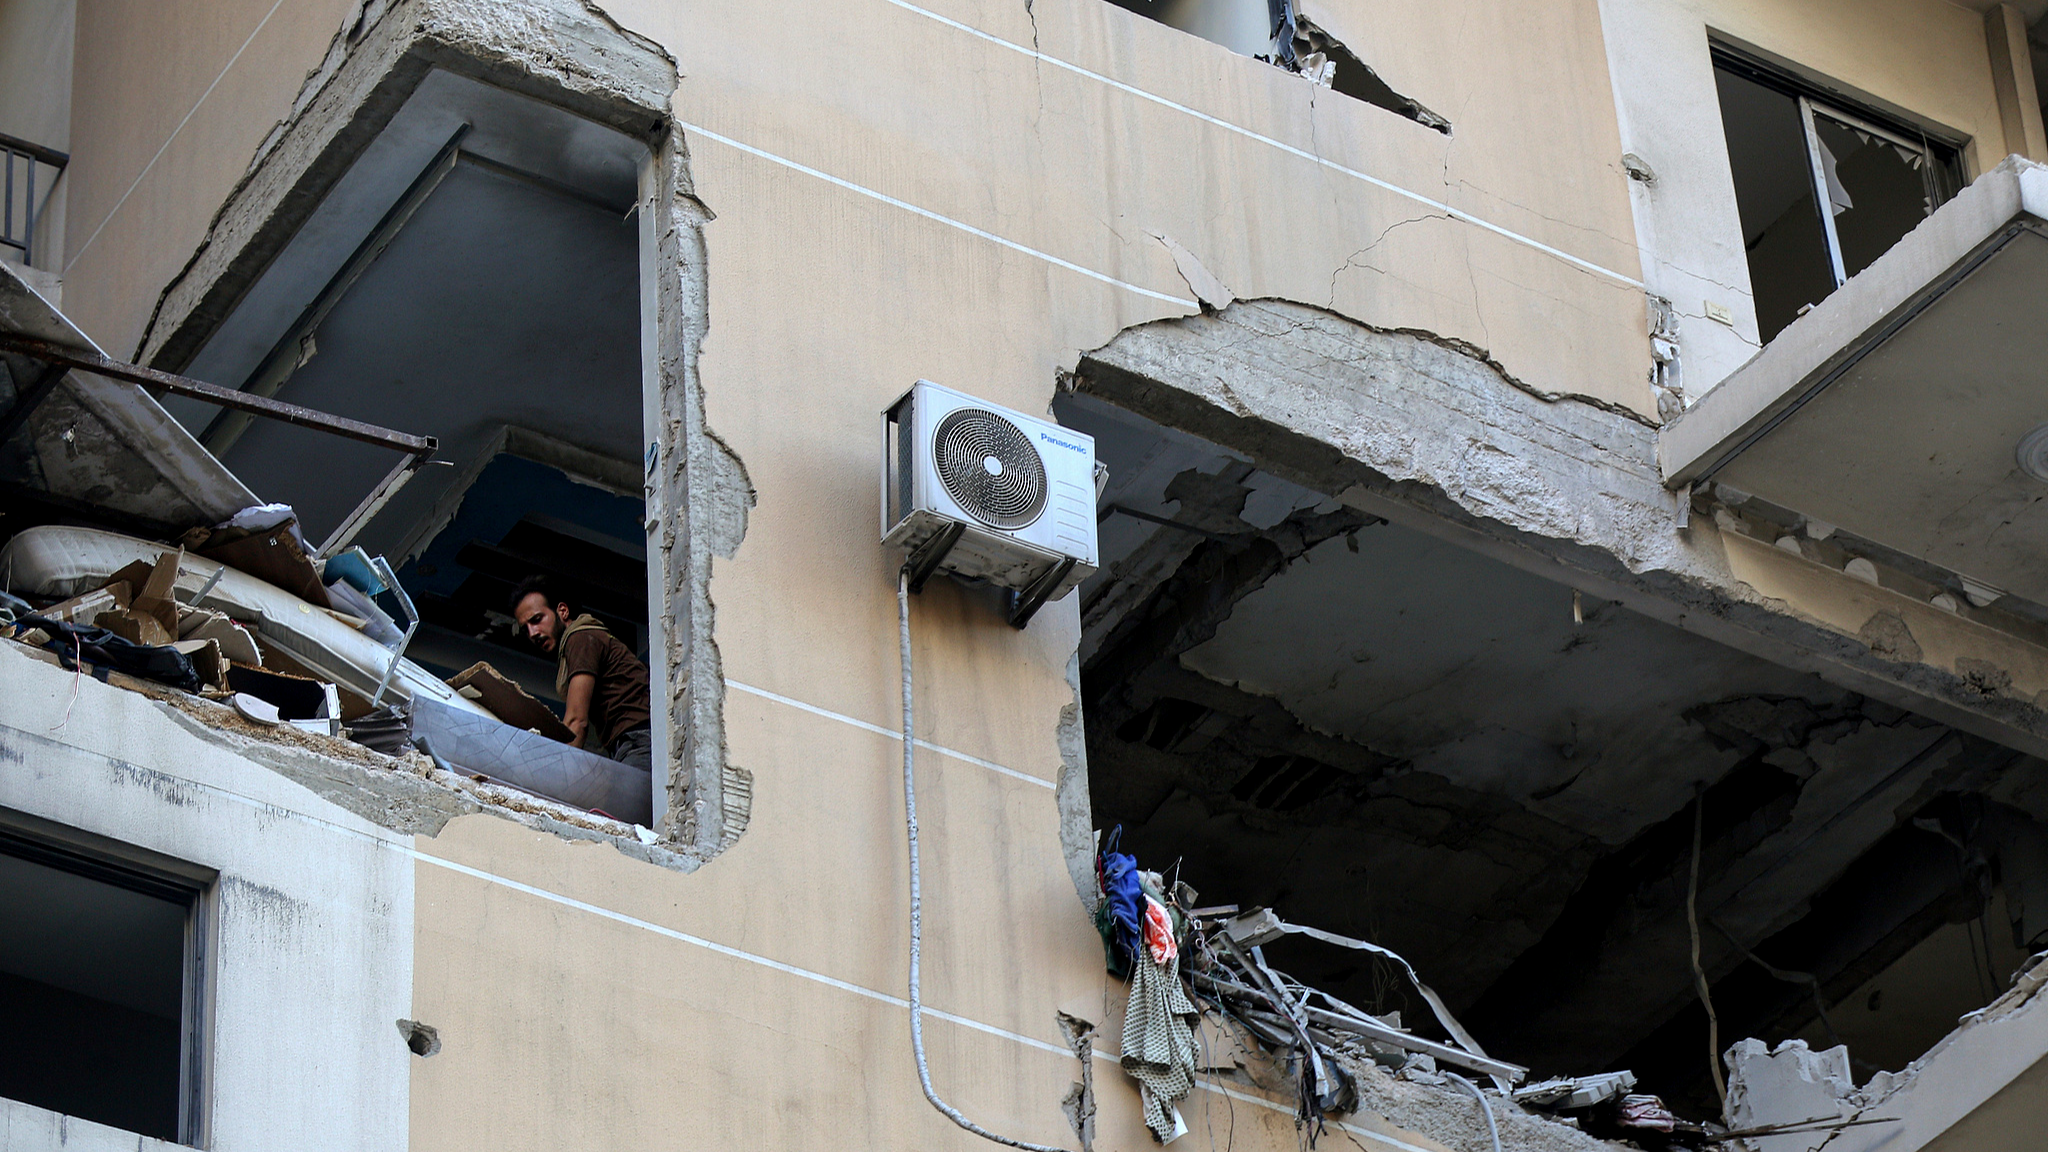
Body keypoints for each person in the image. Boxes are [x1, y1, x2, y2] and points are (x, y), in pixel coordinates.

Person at [509, 576, 653, 771]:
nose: (533, 633)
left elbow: (577, 722)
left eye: (537, 620)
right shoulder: (581, 638)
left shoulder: (579, 638)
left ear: (562, 611)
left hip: (639, 741)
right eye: (526, 629)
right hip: (631, 743)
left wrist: (556, 777)